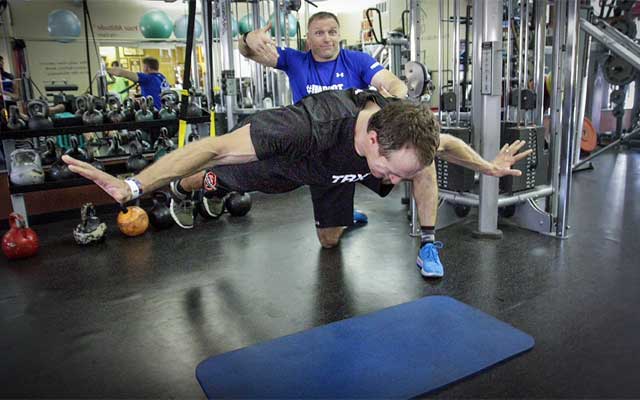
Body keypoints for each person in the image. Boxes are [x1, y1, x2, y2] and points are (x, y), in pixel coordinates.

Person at [62, 89, 530, 275]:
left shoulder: (400, 133)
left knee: (330, 242)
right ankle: (189, 191)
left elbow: (443, 144)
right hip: (284, 170)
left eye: (397, 176)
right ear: (370, 138)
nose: (393, 181)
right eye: (390, 170)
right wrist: (134, 188)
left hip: (337, 174)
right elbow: (216, 144)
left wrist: (487, 167)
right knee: (212, 177)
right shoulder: (302, 128)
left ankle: (426, 242)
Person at [172, 12, 442, 278]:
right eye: (319, 33)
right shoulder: (296, 60)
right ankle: (183, 186)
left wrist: (399, 98)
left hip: (361, 151)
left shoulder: (357, 60)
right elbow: (251, 52)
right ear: (308, 40)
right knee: (327, 240)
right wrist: (247, 39)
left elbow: (390, 81)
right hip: (308, 152)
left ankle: (428, 244)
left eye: (333, 32)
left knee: (422, 162)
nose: (327, 38)